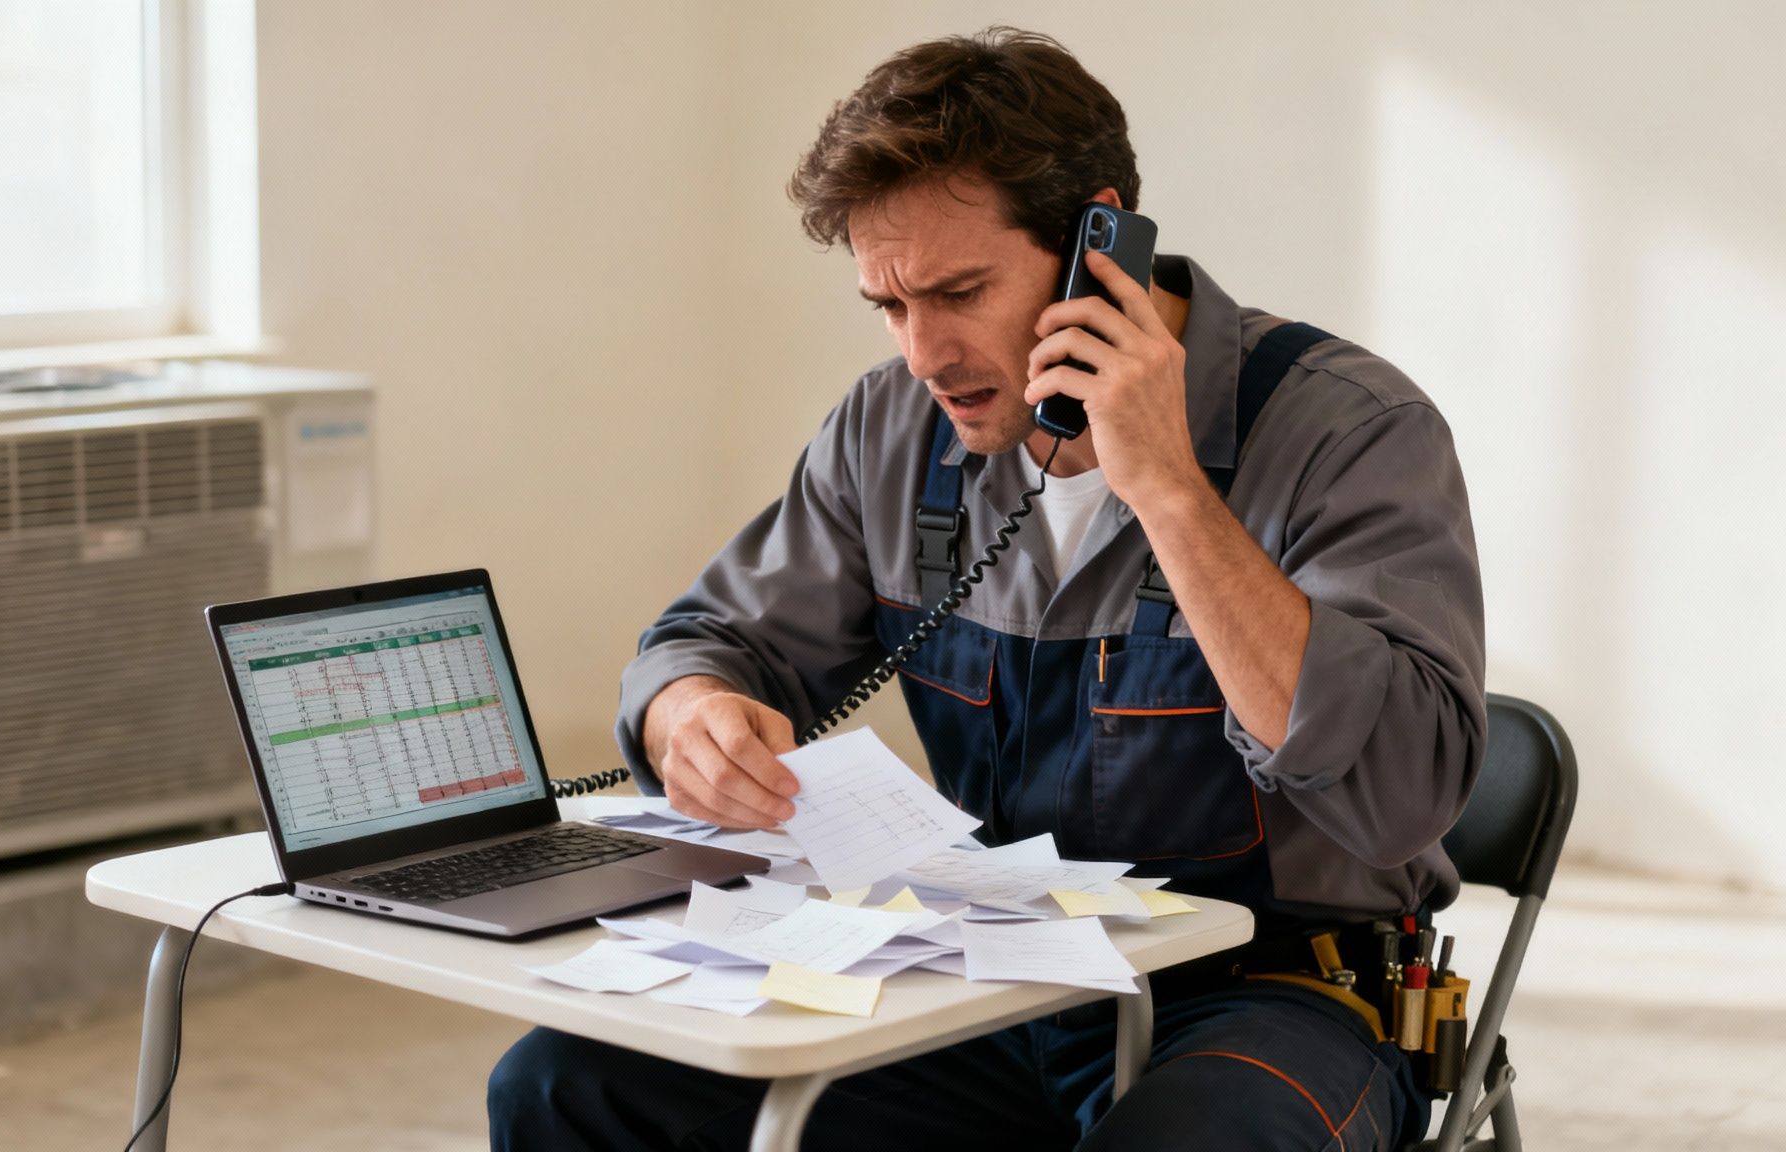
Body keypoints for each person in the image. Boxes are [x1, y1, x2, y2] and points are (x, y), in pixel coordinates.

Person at [489, 26, 1483, 1152]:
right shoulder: (889, 430)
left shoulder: (1348, 430)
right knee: (563, 1083)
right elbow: (713, 638)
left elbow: (1399, 794)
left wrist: (1164, 487)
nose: (923, 352)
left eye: (959, 291)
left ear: (1093, 248)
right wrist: (694, 713)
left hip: (1269, 994)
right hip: (987, 981)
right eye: (888, 305)